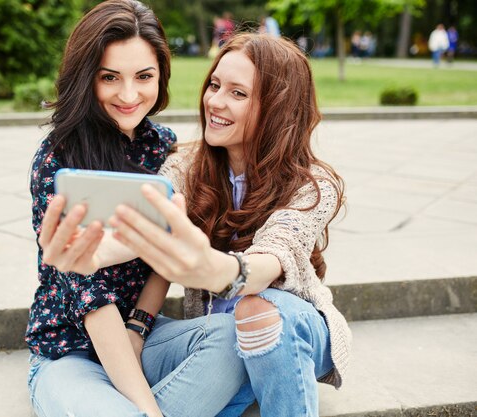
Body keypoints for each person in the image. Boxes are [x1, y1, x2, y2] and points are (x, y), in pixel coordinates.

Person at [108, 33, 352, 417]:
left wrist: (214, 269)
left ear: (278, 108)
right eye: (215, 85)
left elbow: (276, 254)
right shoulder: (183, 169)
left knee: (261, 308)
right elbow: (155, 245)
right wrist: (135, 326)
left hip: (295, 331)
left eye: (238, 94)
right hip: (220, 339)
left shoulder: (312, 186)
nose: (215, 102)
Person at [26, 1, 246, 417]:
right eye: (110, 78)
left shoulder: (161, 144)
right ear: (85, 78)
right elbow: (90, 299)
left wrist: (140, 327)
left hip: (144, 335)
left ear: (160, 76)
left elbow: (165, 247)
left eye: (144, 77)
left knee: (238, 339)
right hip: (70, 351)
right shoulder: (56, 161)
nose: (129, 96)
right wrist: (151, 410)